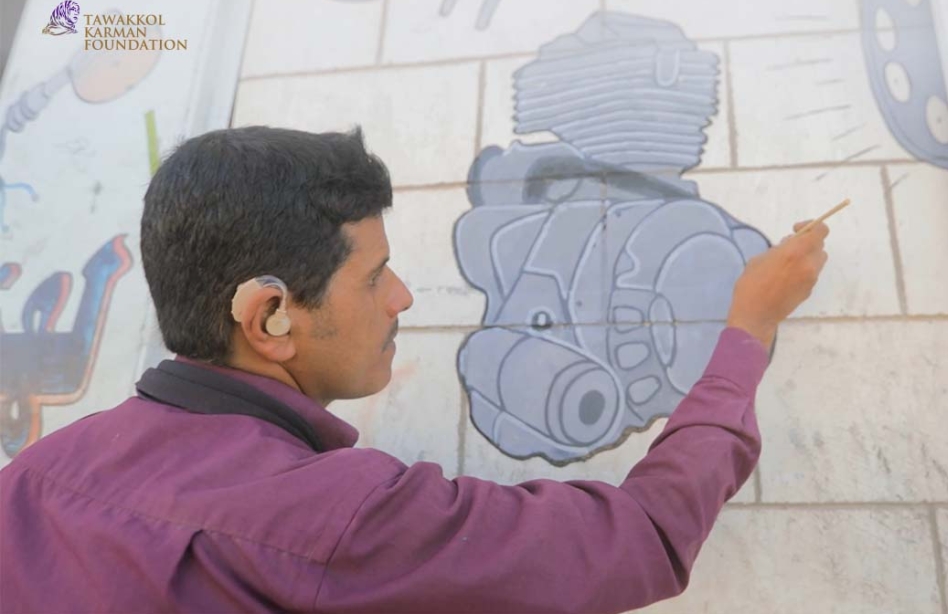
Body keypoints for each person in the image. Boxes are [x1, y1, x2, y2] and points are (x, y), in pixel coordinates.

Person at [0, 126, 830, 613]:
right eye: (373, 276)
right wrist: (747, 329)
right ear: (270, 317)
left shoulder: (31, 478)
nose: (401, 297)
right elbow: (640, 537)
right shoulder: (335, 520)